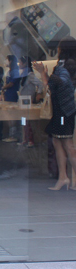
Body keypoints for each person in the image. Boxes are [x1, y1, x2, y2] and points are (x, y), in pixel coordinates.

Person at [34, 37, 76, 191]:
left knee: (67, 144)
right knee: (58, 142)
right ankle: (63, 177)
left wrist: (44, 74)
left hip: (63, 111)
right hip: (63, 110)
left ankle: (65, 178)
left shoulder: (66, 65)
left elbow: (59, 83)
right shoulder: (67, 64)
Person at [18, 56, 43, 147]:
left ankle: (30, 140)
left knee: (28, 121)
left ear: (25, 63)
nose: (19, 64)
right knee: (24, 121)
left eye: (20, 62)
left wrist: (38, 94)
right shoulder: (24, 74)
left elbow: (40, 84)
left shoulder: (30, 74)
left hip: (28, 100)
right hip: (23, 99)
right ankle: (26, 139)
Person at [0, 55, 21, 143]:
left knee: (12, 115)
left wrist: (3, 88)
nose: (5, 62)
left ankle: (13, 135)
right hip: (8, 95)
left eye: (6, 60)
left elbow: (11, 84)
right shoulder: (10, 71)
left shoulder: (15, 71)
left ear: (11, 61)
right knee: (9, 115)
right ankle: (11, 134)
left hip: (12, 95)